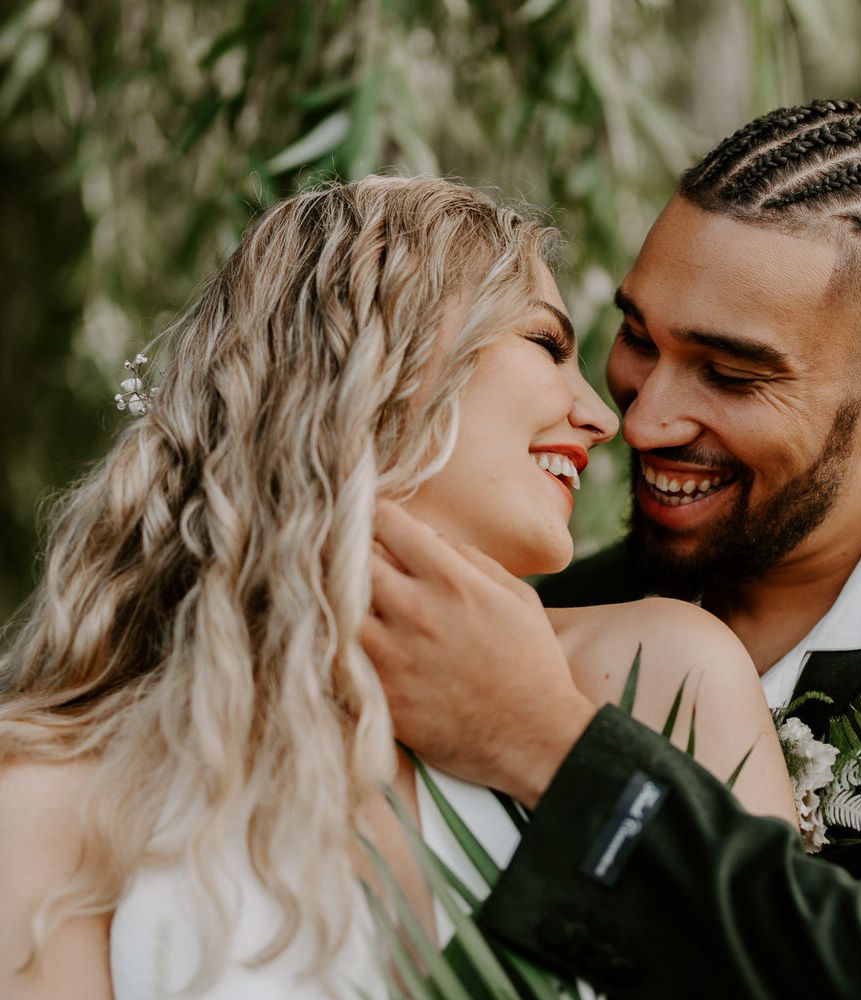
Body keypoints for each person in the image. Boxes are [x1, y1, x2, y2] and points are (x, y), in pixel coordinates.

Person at [0, 176, 796, 999]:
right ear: (377, 352)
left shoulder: (656, 681)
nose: (602, 416)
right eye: (548, 344)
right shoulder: (57, 799)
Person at [366, 100, 861, 997]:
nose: (639, 417)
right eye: (636, 336)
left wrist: (549, 747)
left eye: (731, 374)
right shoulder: (546, 609)